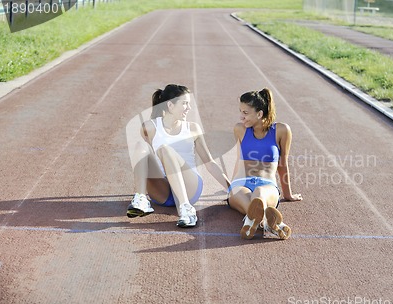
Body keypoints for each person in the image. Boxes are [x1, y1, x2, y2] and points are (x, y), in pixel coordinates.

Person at [127, 84, 230, 228]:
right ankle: (141, 199)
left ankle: (186, 209)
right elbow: (146, 161)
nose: (189, 108)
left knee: (165, 150)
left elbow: (209, 162)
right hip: (163, 192)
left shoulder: (192, 128)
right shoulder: (150, 127)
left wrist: (231, 189)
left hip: (190, 188)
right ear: (170, 105)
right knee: (140, 146)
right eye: (185, 103)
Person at [227, 88, 303, 240]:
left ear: (260, 114)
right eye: (240, 112)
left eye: (245, 113)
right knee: (243, 194)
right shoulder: (240, 129)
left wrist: (288, 194)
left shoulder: (281, 130)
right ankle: (270, 225)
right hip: (241, 182)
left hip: (267, 184)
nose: (241, 117)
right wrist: (231, 184)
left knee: (259, 193)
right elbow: (239, 159)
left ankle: (251, 222)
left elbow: (283, 164)